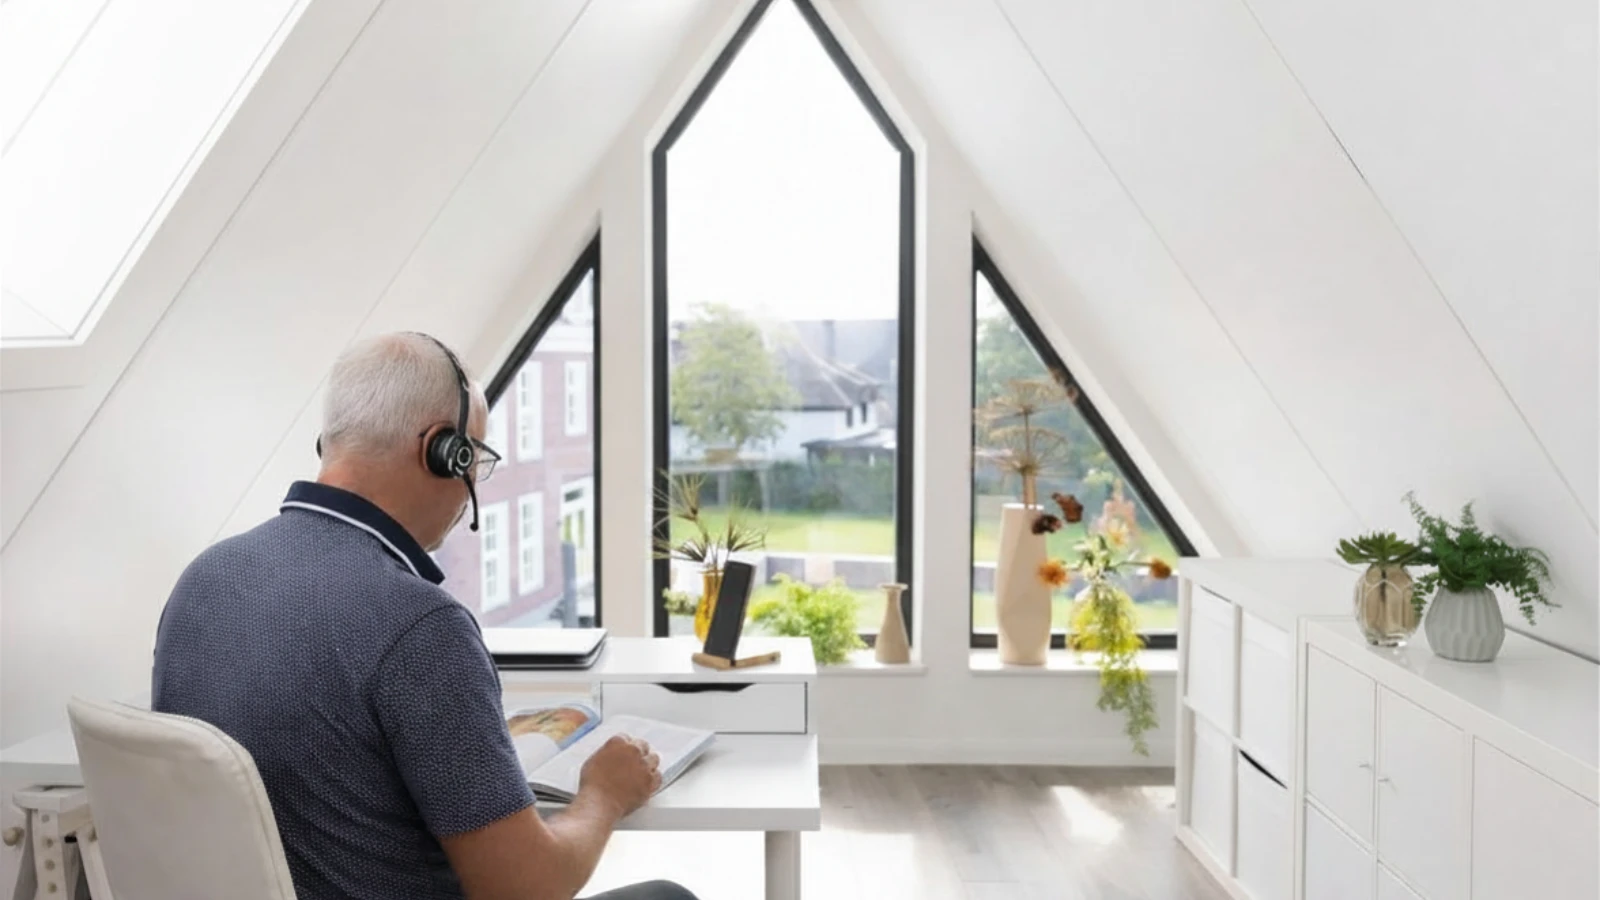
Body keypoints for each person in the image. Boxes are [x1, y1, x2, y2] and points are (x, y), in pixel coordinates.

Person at [152, 332, 696, 900]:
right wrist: (603, 794)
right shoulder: (418, 626)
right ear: (444, 451)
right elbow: (528, 890)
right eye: (475, 459)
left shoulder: (204, 578)